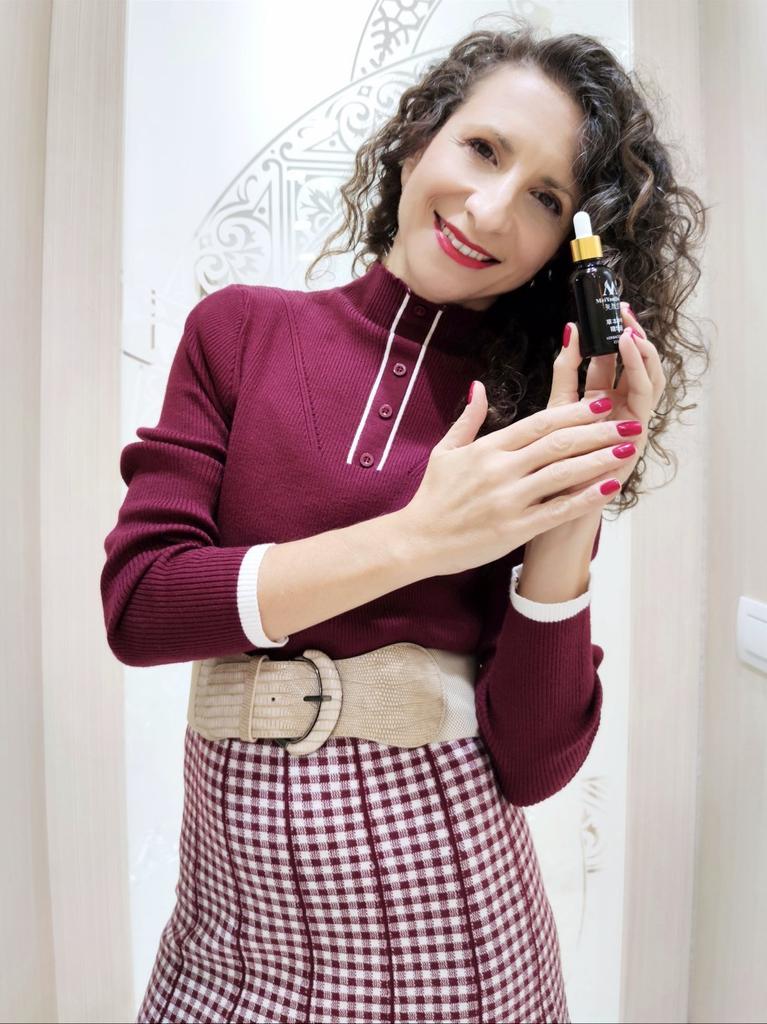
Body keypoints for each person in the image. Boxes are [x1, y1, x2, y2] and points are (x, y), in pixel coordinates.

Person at [100, 16, 707, 1024]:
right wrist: (419, 539)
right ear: (419, 135)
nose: (489, 208)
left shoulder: (527, 420)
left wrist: (576, 498)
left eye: (545, 198)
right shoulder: (238, 330)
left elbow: (532, 762)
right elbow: (141, 606)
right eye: (482, 148)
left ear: (566, 247)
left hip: (456, 928)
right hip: (226, 926)